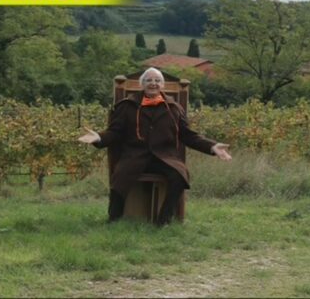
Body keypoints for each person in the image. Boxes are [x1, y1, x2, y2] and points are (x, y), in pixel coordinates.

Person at [78, 67, 232, 226]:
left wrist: (212, 147)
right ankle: (114, 220)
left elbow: (188, 135)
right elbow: (114, 132)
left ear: (162, 85)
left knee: (179, 176)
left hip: (165, 157)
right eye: (149, 80)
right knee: (120, 176)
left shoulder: (174, 108)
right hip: (134, 156)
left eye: (157, 80)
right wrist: (98, 137)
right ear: (142, 84)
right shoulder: (126, 106)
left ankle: (163, 221)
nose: (153, 83)